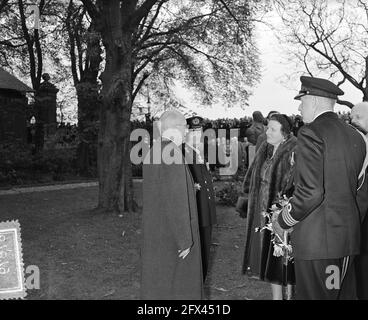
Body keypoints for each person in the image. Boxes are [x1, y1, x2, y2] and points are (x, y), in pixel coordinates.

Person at [274, 76, 367, 300]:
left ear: (314, 101)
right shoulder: (357, 135)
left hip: (318, 244)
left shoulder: (310, 133)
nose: (299, 107)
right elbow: (360, 187)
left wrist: (282, 221)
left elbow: (310, 192)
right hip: (345, 240)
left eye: (302, 101)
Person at [141, 110, 203, 300]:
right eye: (185, 127)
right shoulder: (173, 153)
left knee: (159, 286)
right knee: (181, 289)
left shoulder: (154, 150)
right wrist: (185, 239)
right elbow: (177, 199)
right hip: (173, 237)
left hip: (157, 232)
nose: (186, 133)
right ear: (176, 128)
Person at [240, 114, 297, 300]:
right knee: (270, 257)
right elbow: (251, 174)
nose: (267, 132)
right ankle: (276, 297)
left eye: (273, 129)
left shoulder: (294, 150)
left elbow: (298, 185)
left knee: (284, 257)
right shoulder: (265, 147)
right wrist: (245, 197)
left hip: (282, 214)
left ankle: (289, 295)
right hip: (261, 209)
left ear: (285, 133)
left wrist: (284, 210)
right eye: (268, 128)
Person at [184, 116, 217, 281]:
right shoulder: (183, 152)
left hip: (206, 210)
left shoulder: (198, 151)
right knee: (199, 255)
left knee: (205, 252)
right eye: (193, 131)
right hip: (197, 209)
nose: (197, 134)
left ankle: (199, 286)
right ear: (186, 132)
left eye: (199, 131)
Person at [350, 102, 368, 300]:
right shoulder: (354, 147)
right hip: (358, 229)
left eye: (359, 117)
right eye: (351, 117)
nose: (353, 121)